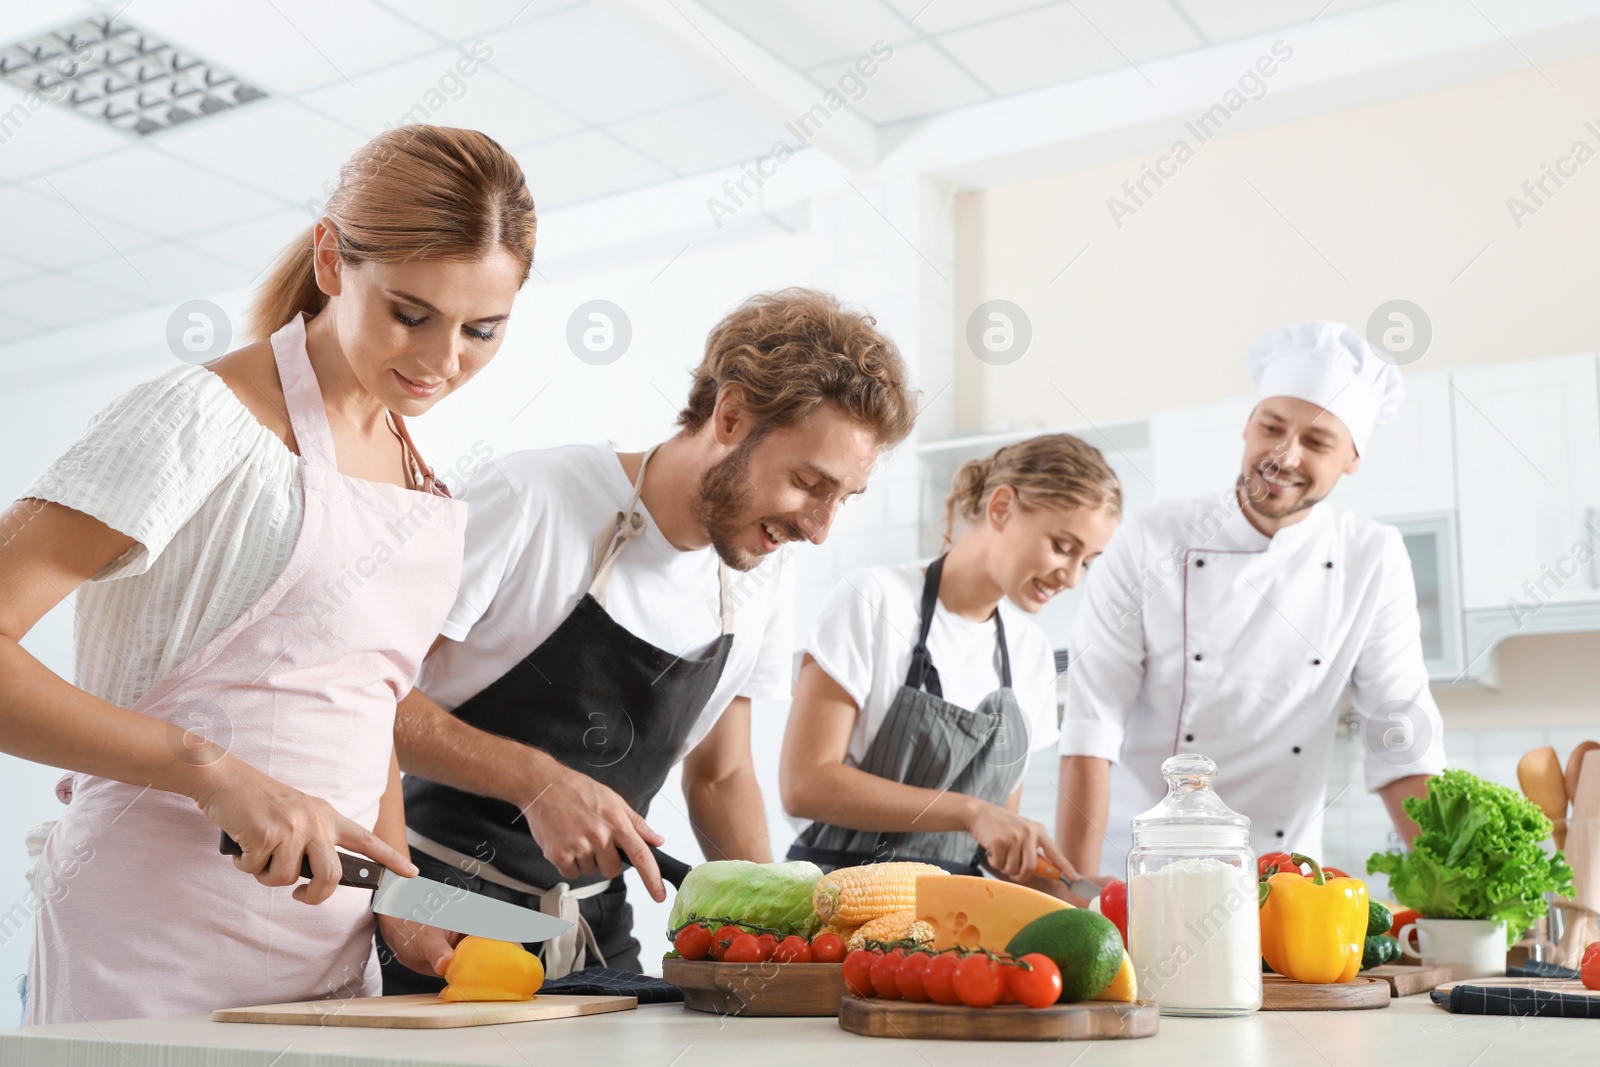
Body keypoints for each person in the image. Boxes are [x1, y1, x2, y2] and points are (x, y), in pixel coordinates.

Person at [8, 125, 536, 1024]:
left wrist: (397, 898)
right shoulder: (199, 419)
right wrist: (210, 768)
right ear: (333, 258)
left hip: (327, 957)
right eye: (411, 313)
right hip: (149, 945)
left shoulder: (420, 480)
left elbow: (362, 710)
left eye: (482, 330)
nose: (444, 361)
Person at [379, 288, 919, 986]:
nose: (819, 528)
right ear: (730, 415)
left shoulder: (759, 573)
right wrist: (536, 781)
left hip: (599, 940)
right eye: (807, 482)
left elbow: (722, 776)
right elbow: (366, 699)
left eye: (842, 498)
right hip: (441, 920)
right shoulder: (531, 499)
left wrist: (785, 930)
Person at [1055, 321, 1446, 877]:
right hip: (1136, 870)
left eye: (1316, 442)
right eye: (1271, 427)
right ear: (1247, 425)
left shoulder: (1372, 557)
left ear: (1352, 459)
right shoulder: (1149, 540)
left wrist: (1460, 895)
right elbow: (1092, 728)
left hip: (1277, 882)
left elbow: (1400, 740)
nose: (1283, 456)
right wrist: (1074, 889)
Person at [781, 435, 1121, 893]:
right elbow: (804, 784)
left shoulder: (1031, 654)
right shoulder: (874, 601)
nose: (1073, 577)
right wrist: (970, 811)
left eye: (1089, 561)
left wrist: (1071, 886)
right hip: (838, 902)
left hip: (956, 922)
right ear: (1001, 507)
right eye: (1063, 546)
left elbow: (993, 850)